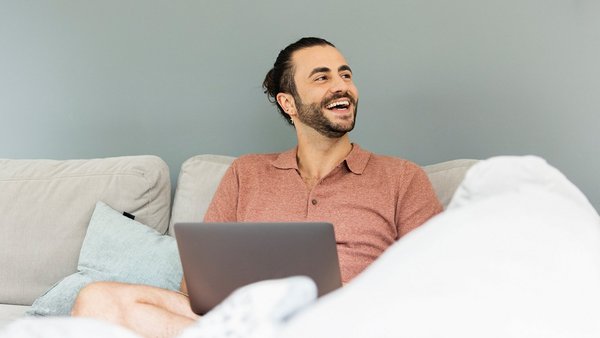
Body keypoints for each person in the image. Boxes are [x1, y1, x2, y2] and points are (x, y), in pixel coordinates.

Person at [71, 37, 443, 338]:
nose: (341, 86)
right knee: (96, 300)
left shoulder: (402, 178)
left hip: (341, 324)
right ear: (288, 103)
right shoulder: (245, 173)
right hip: (242, 320)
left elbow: (438, 277)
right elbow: (194, 285)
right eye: (322, 77)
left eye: (345, 75)